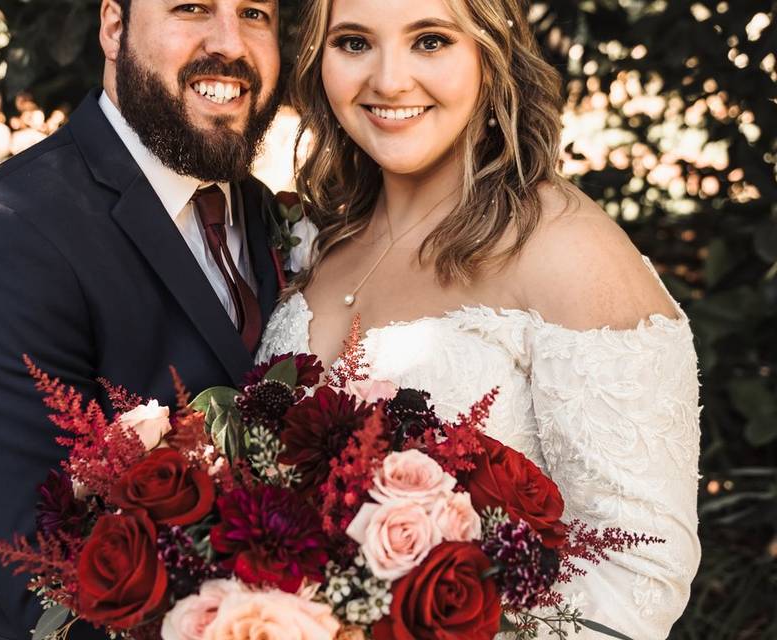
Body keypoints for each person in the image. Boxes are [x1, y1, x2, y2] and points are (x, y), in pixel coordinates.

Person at [257, 0, 700, 637]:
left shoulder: (564, 247)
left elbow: (640, 570)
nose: (388, 80)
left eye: (430, 41)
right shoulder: (322, 239)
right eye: (354, 43)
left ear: (490, 56)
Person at [0, 1, 282, 638]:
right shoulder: (3, 237)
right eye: (191, 6)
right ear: (114, 27)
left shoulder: (263, 211)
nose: (231, 43)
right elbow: (50, 584)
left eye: (254, 12)